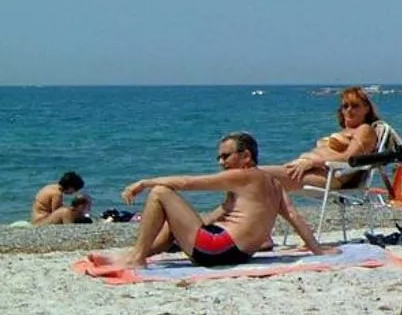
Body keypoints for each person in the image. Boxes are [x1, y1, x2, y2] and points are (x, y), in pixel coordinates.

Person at [85, 132, 332, 272]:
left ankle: (137, 257)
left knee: (161, 192)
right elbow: (294, 217)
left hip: (216, 249)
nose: (220, 162)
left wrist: (145, 182)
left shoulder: (242, 176)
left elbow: (187, 182)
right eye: (219, 157)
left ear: (245, 156)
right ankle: (136, 254)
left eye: (226, 156)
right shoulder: (274, 184)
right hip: (238, 255)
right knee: (177, 222)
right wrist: (318, 250)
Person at [278, 86, 385, 188]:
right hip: (309, 169)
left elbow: (349, 159)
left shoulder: (364, 129)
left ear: (366, 108)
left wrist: (311, 162)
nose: (349, 110)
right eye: (345, 106)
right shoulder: (347, 131)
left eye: (355, 106)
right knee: (267, 182)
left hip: (328, 175)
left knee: (265, 178)